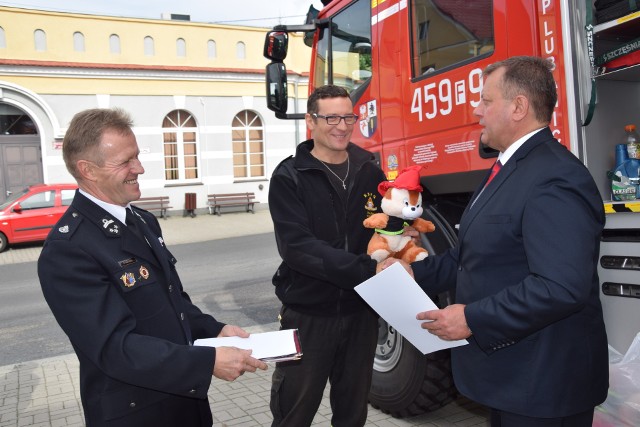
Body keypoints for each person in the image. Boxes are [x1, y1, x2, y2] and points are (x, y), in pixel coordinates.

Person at [406, 56, 609, 426]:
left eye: (485, 100)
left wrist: (471, 318)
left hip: (544, 387)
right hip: (513, 379)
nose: (476, 109)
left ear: (518, 107)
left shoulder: (555, 177)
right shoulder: (508, 167)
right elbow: (471, 256)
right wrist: (409, 275)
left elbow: (560, 287)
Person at [38, 108, 267, 427]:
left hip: (184, 403)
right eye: (126, 161)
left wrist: (213, 330)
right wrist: (206, 362)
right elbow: (114, 347)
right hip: (136, 412)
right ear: (87, 170)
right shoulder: (68, 250)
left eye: (137, 157)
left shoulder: (141, 221)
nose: (139, 168)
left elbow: (174, 303)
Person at [268, 84, 388, 426]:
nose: (342, 125)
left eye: (348, 116)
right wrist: (366, 269)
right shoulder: (290, 176)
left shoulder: (370, 172)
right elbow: (297, 248)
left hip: (361, 313)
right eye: (331, 117)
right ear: (311, 121)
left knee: (352, 414)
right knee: (294, 411)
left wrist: (400, 238)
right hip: (307, 315)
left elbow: (384, 230)